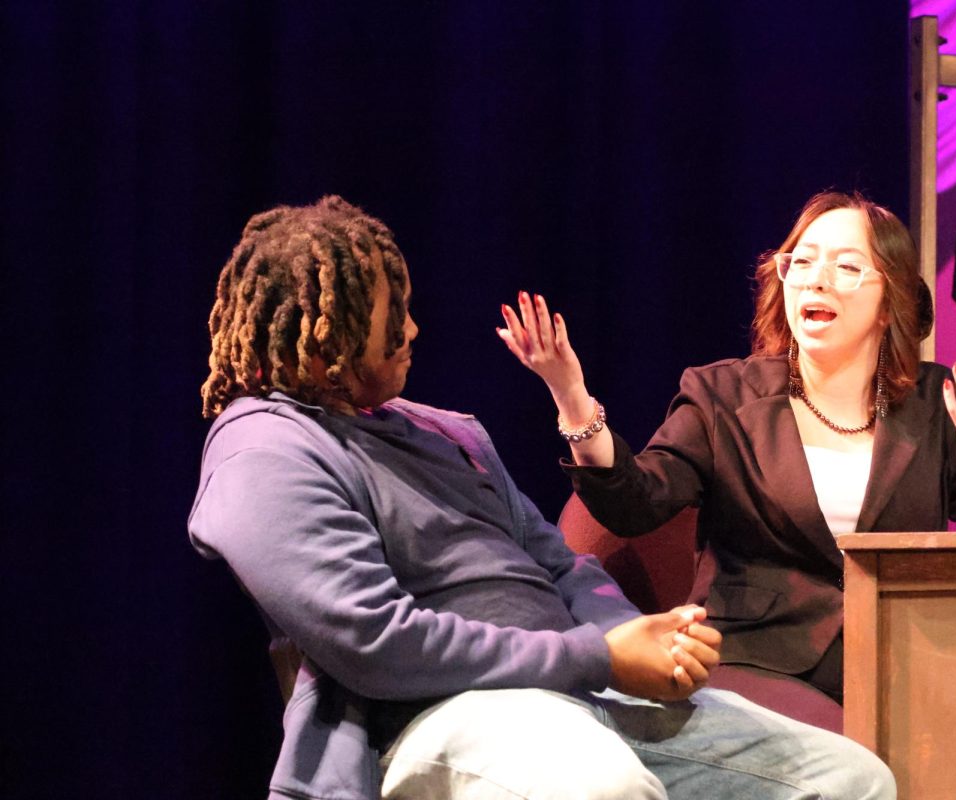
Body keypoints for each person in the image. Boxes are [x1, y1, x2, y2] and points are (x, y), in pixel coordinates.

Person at [188, 196, 895, 800]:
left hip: (581, 691)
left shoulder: (447, 431)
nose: (411, 330)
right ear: (324, 344)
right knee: (604, 790)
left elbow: (561, 566)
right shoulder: (265, 454)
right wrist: (599, 656)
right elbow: (378, 642)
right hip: (432, 713)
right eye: (387, 316)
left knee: (850, 780)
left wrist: (635, 639)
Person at [498, 189, 956, 731]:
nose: (816, 278)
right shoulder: (723, 396)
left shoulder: (935, 405)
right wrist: (572, 398)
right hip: (758, 657)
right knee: (851, 754)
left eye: (845, 266)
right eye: (803, 262)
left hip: (904, 656)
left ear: (890, 304)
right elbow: (636, 503)